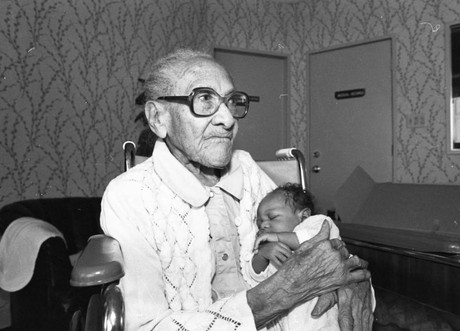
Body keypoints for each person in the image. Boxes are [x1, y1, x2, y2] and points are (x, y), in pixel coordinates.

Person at [100, 48, 373, 330]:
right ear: (158, 118)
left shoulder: (247, 169)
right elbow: (145, 326)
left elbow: (313, 241)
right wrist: (283, 292)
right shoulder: (130, 195)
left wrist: (354, 286)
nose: (229, 119)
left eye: (231, 102)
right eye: (204, 99)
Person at [249, 183, 343, 330]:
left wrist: (277, 237)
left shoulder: (318, 223)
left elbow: (313, 239)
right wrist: (263, 253)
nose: (263, 225)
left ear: (303, 216)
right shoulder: (268, 245)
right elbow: (254, 275)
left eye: (272, 217)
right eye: (259, 221)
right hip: (281, 319)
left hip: (317, 317)